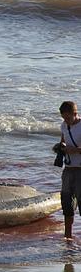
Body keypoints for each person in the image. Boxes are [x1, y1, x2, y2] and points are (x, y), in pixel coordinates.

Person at [56, 101, 81, 239]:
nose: (66, 121)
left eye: (68, 118)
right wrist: (60, 147)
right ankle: (68, 239)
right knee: (67, 205)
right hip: (68, 169)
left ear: (75, 114)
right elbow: (63, 141)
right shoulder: (64, 125)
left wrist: (75, 150)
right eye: (63, 118)